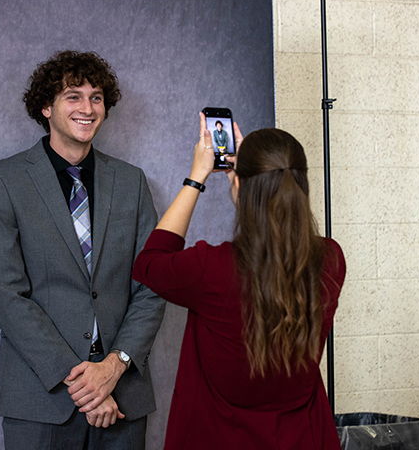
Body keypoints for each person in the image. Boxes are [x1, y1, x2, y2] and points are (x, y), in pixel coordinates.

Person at [0, 50, 166, 450]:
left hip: (123, 398)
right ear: (46, 106)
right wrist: (84, 382)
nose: (88, 107)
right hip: (41, 400)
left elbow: (152, 284)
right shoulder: (2, 182)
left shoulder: (131, 182)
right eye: (73, 96)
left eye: (96, 97)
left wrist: (114, 367)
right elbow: (7, 296)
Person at [131, 114, 346, 449]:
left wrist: (196, 177)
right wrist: (253, 174)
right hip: (303, 438)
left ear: (240, 186)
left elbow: (149, 264)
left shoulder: (211, 270)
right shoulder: (331, 260)